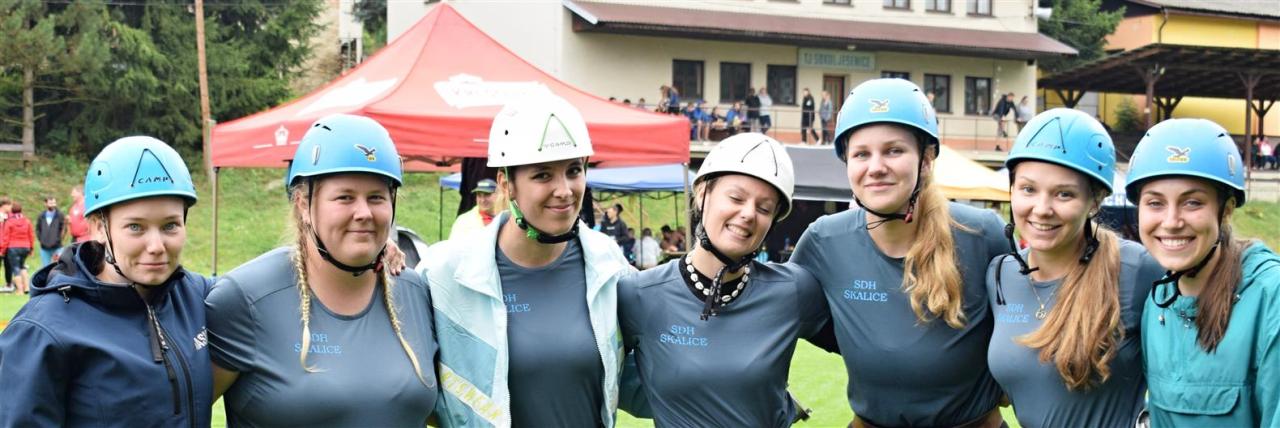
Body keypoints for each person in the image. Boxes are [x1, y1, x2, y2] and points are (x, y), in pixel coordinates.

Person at [789, 78, 1008, 427]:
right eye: (861, 154)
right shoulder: (823, 240)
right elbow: (773, 313)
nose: (876, 166)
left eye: (893, 151)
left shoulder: (983, 234)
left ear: (926, 159)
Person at [206, 114, 438, 426]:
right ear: (303, 204)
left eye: (376, 198)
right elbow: (176, 413)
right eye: (345, 197)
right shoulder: (246, 299)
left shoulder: (415, 292)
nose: (364, 213)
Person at [422, 94, 631, 427]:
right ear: (507, 184)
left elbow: (647, 375)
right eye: (543, 175)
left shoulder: (609, 264)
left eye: (573, 170)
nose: (564, 190)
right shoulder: (444, 273)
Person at [618, 133, 833, 426]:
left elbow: (871, 345)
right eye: (736, 198)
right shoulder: (638, 294)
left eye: (764, 208)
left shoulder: (794, 290)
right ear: (702, 193)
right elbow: (587, 371)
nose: (748, 214)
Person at [0, 136, 213, 426]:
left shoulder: (194, 295)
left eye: (170, 225)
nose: (156, 246)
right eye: (135, 227)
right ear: (99, 228)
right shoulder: (42, 331)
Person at [987, 108, 1166, 427]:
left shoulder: (1136, 270)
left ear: (1095, 201)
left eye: (1064, 194)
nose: (1042, 209)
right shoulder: (1000, 274)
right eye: (1028, 189)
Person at [1126, 118, 1280, 427]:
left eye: (1192, 202)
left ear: (1226, 210)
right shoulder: (1158, 301)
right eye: (1155, 203)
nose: (1171, 221)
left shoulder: (1269, 297)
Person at [0, 202, 34, 295]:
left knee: (15, 268)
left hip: (13, 247)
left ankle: (20, 290)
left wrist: (2, 250)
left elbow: (6, 238)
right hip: (26, 247)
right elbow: (31, 235)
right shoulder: (27, 221)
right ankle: (27, 288)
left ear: (12, 210)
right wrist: (31, 248)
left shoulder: (9, 222)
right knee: (22, 266)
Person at [35, 196, 67, 267]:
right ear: (45, 204)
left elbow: (64, 229)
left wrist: (58, 239)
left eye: (54, 203)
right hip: (44, 248)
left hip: (57, 247)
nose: (53, 205)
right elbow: (38, 229)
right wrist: (41, 239)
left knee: (59, 267)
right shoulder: (41, 216)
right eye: (50, 203)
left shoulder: (60, 215)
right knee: (46, 267)